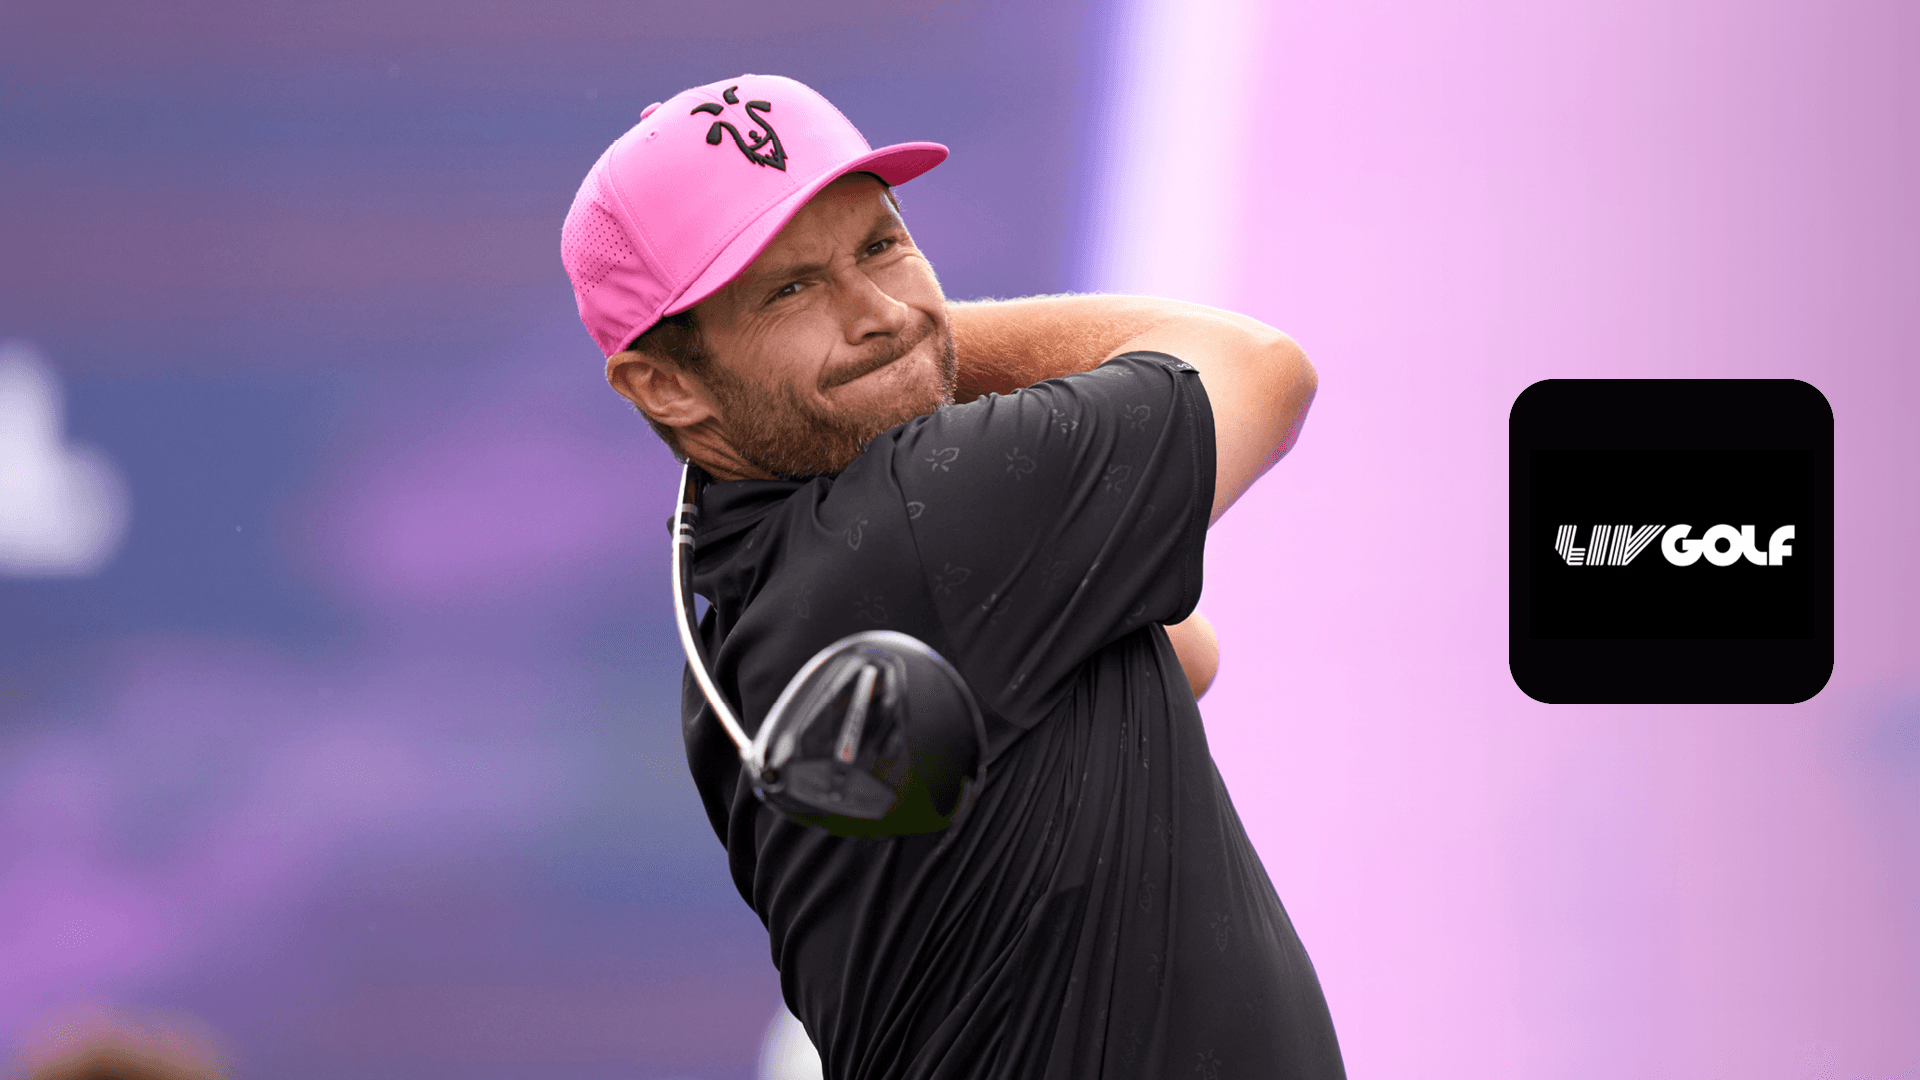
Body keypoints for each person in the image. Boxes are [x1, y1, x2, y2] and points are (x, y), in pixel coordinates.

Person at [562, 74, 1340, 1079]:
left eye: (880, 246)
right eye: (789, 290)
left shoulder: (752, 609)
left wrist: (889, 356)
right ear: (665, 383)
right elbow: (1262, 368)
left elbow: (1180, 659)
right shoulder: (923, 512)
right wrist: (924, 347)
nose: (878, 311)